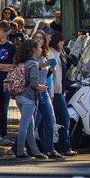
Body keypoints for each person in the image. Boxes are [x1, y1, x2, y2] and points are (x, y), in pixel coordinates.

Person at [12, 39, 48, 159]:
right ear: (34, 50)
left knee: (30, 125)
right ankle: (20, 152)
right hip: (29, 98)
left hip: (20, 96)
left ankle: (35, 151)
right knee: (24, 125)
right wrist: (42, 87)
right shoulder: (33, 64)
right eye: (39, 48)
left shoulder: (23, 62)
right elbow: (34, 83)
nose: (41, 49)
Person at [33, 29, 65, 159]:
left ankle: (49, 149)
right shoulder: (31, 54)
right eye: (37, 37)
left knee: (50, 120)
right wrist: (46, 64)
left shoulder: (44, 53)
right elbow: (36, 67)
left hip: (44, 91)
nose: (39, 40)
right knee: (33, 123)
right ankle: (23, 148)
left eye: (41, 38)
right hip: (34, 92)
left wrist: (50, 69)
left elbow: (44, 75)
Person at [49, 31, 77, 157]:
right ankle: (64, 147)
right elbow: (51, 75)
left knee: (61, 119)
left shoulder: (58, 54)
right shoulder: (52, 55)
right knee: (64, 118)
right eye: (61, 40)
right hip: (55, 93)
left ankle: (62, 146)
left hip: (59, 92)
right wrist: (53, 93)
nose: (63, 43)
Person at [0, 21, 16, 146]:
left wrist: (0, 66)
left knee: (4, 108)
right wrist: (7, 66)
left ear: (5, 33)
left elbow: (15, 66)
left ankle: (4, 134)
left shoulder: (12, 47)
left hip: (7, 82)